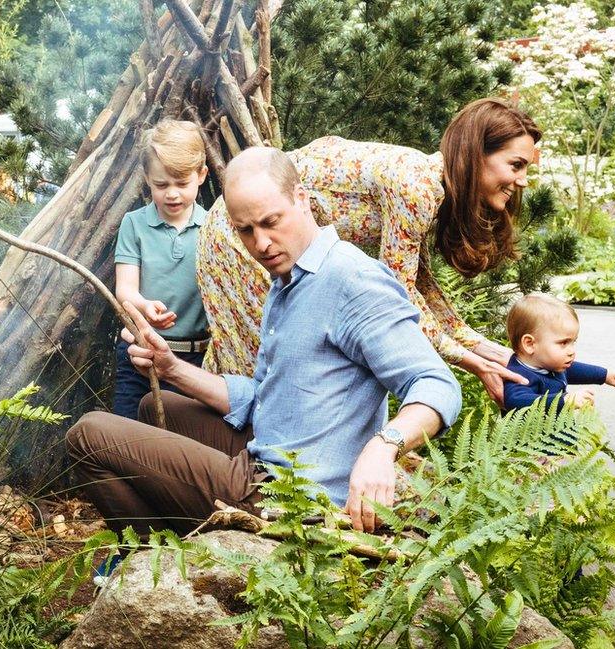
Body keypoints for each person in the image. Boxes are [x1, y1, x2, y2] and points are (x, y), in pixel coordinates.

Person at [67, 148, 461, 585]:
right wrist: (171, 367)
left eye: (271, 222)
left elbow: (436, 384)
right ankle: (176, 546)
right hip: (273, 448)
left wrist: (384, 446)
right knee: (152, 408)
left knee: (88, 435)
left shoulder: (352, 280)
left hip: (290, 499)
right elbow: (269, 395)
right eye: (246, 230)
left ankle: (160, 560)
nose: (262, 244)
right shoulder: (288, 281)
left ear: (303, 199)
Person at [197, 97, 540, 406]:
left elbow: (420, 285)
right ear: (477, 153)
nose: (522, 179)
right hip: (238, 232)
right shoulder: (416, 185)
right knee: (267, 367)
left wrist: (485, 349)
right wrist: (469, 361)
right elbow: (399, 297)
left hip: (254, 231)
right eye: (516, 164)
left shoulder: (428, 184)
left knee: (256, 359)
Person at [112, 120, 210, 419]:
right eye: (161, 185)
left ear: (202, 175)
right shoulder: (134, 224)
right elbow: (125, 289)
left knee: (181, 446)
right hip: (140, 353)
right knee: (128, 438)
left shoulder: (213, 228)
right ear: (147, 179)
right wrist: (144, 306)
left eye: (182, 184)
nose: (172, 194)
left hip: (195, 359)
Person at [503, 293, 615, 413]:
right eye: (563, 343)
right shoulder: (519, 375)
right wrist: (564, 401)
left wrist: (605, 375)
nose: (572, 351)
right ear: (529, 344)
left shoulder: (550, 365)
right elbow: (515, 402)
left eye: (573, 342)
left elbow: (572, 370)